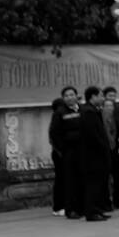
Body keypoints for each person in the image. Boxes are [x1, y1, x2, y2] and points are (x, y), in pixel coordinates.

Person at [79, 86, 113, 221]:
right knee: (93, 184)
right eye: (100, 95)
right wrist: (103, 148)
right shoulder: (88, 112)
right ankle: (91, 212)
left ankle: (98, 209)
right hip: (93, 155)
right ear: (93, 97)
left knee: (99, 184)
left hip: (98, 153)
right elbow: (93, 134)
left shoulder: (93, 110)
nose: (103, 98)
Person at [49, 87, 81, 217]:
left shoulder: (82, 110)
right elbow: (54, 134)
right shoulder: (59, 113)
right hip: (65, 152)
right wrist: (63, 149)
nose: (70, 97)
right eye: (66, 95)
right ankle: (65, 207)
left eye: (72, 94)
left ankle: (79, 206)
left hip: (81, 151)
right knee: (65, 180)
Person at [102, 87, 119, 209]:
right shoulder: (99, 112)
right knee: (105, 176)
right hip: (105, 149)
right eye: (109, 95)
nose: (112, 98)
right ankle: (106, 201)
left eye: (114, 95)